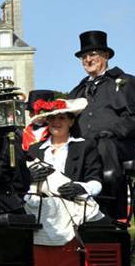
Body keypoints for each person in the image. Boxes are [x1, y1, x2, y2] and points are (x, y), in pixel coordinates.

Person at [67, 31, 135, 218]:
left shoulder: (125, 82)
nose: (88, 60)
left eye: (92, 54)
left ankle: (108, 203)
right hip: (86, 149)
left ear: (106, 56)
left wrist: (110, 132)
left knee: (103, 144)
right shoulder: (78, 90)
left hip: (117, 146)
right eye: (84, 57)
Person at [24, 97, 106, 246]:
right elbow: (22, 183)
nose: (56, 122)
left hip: (72, 201)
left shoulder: (85, 147)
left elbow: (96, 181)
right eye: (52, 118)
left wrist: (80, 188)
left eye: (61, 118)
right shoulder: (34, 150)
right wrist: (29, 177)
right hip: (39, 203)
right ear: (47, 122)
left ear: (71, 121)